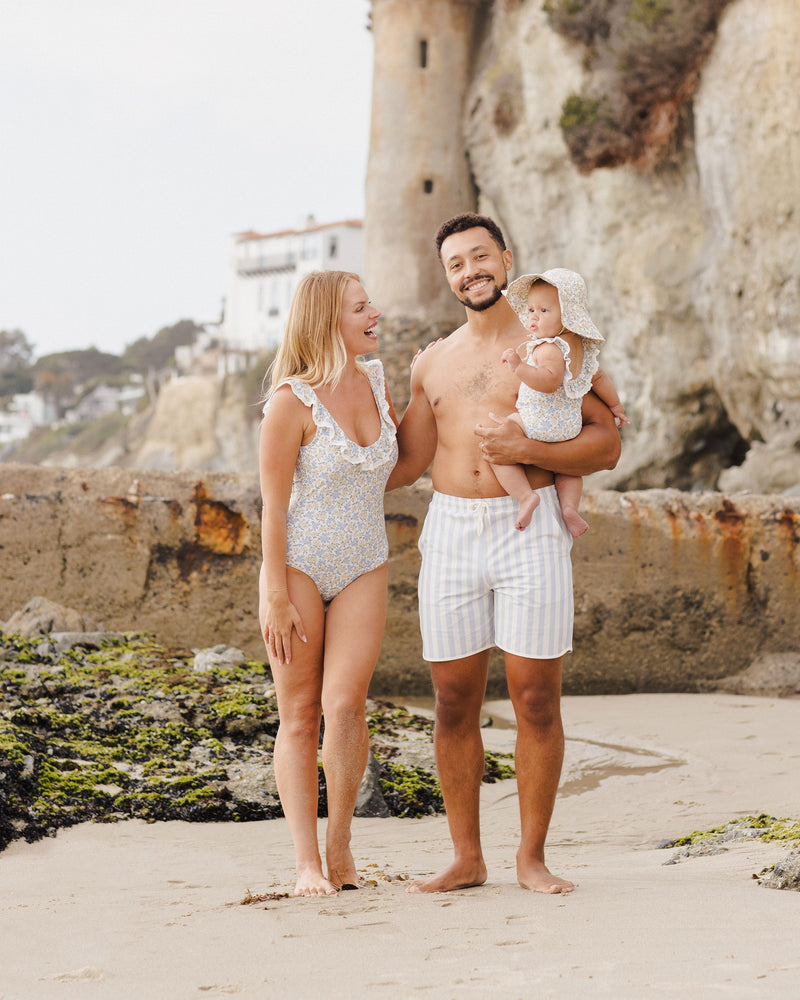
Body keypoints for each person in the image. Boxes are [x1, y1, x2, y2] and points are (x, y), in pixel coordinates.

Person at [387, 213, 620, 894]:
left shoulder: (552, 345)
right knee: (452, 699)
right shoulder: (433, 360)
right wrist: (311, 468)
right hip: (453, 530)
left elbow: (605, 444)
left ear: (507, 261)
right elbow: (406, 460)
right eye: (456, 263)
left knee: (535, 700)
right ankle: (466, 857)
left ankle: (531, 858)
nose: (470, 271)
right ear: (448, 277)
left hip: (533, 527)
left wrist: (529, 452)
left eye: (481, 257)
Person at [258, 270, 398, 897]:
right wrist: (274, 593)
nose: (375, 313)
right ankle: (305, 863)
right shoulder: (289, 402)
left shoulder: (379, 382)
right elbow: (271, 506)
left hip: (366, 559)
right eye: (360, 307)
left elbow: (403, 462)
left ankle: (339, 842)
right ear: (326, 321)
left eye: (371, 303)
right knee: (299, 717)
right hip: (299, 569)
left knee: (345, 707)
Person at [490, 268, 629, 534]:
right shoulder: (580, 350)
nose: (534, 317)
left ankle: (525, 497)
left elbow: (548, 381)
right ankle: (569, 508)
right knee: (568, 470)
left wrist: (519, 367)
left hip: (539, 422)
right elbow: (600, 380)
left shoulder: (550, 348)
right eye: (531, 310)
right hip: (569, 427)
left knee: (499, 447)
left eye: (544, 311)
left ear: (567, 315)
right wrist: (616, 407)